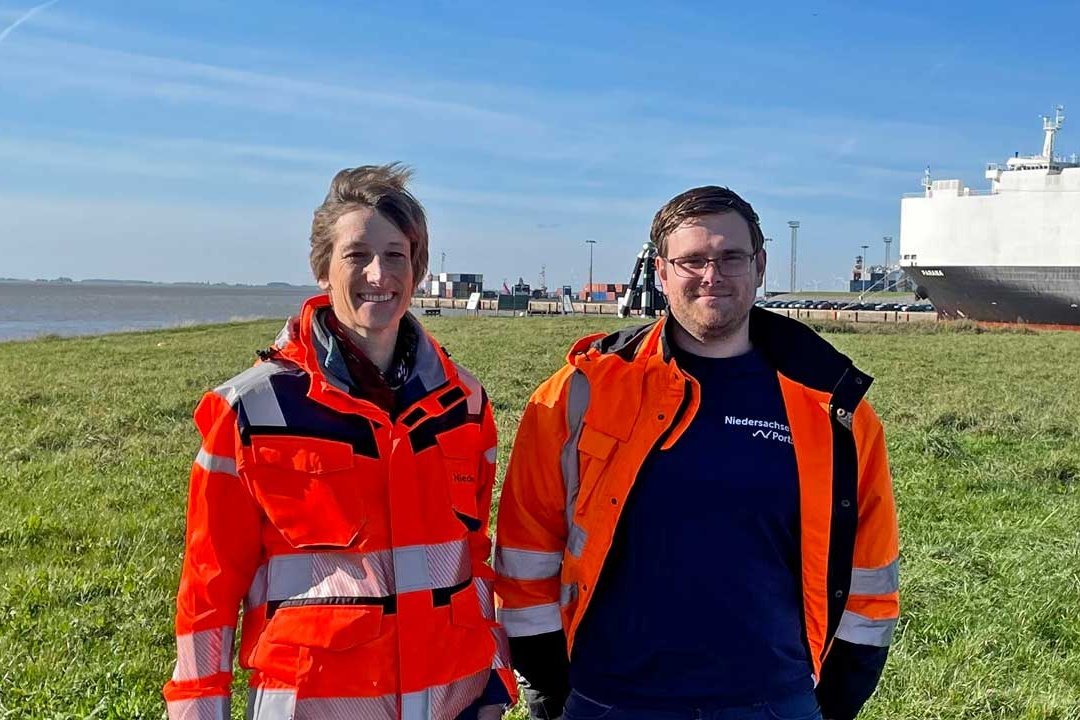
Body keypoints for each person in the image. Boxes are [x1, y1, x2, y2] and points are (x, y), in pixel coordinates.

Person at [494, 186, 899, 720]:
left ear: (760, 265)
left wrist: (839, 693)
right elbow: (527, 548)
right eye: (692, 260)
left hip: (776, 701)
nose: (713, 275)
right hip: (607, 698)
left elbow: (871, 566)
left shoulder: (832, 406)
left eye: (730, 257)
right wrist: (547, 680)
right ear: (661, 272)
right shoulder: (579, 394)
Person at [163, 164, 515, 720]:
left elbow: (472, 557)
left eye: (396, 254)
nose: (380, 272)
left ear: (417, 268)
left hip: (455, 702)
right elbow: (208, 589)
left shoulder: (463, 402)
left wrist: (493, 683)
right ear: (323, 268)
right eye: (357, 254)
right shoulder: (253, 408)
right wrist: (198, 710)